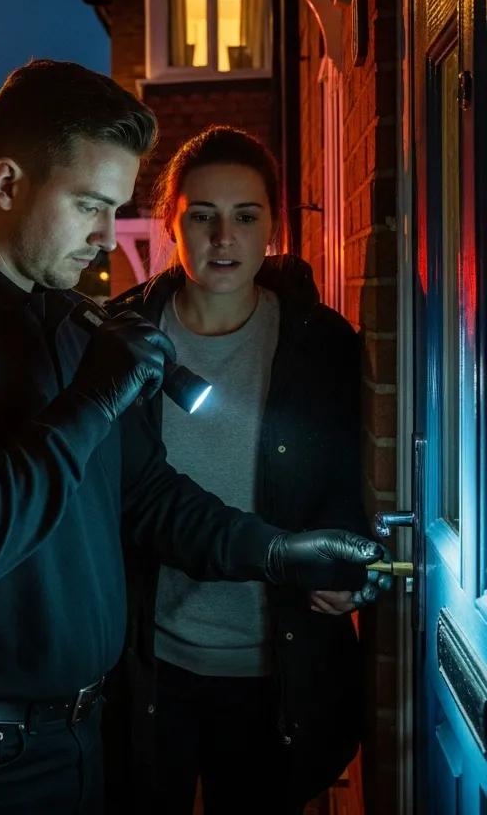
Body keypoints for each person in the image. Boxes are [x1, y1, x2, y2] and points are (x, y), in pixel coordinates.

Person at [0, 61, 383, 815]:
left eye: (114, 208)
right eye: (89, 204)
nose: (104, 236)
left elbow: (145, 495)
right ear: (6, 183)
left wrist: (279, 553)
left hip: (82, 738)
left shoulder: (58, 321)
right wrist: (95, 395)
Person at [103, 126, 387, 814]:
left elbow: (356, 485)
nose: (222, 236)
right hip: (149, 666)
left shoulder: (321, 347)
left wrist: (347, 571)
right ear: (172, 223)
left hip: (278, 670)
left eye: (245, 216)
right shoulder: (119, 339)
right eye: (201, 215)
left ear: (273, 229)